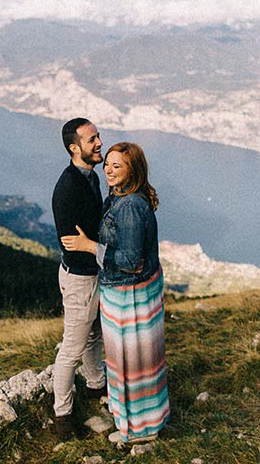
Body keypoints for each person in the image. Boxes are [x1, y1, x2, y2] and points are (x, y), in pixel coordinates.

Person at [62, 142, 170, 445]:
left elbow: (130, 261)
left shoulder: (131, 206)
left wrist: (89, 247)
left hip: (129, 296)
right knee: (133, 360)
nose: (108, 170)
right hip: (126, 294)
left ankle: (138, 430)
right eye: (107, 164)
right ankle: (137, 418)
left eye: (117, 166)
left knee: (130, 360)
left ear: (132, 170)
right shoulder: (119, 197)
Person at [50, 117, 108, 440]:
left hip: (90, 273)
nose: (99, 142)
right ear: (75, 148)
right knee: (71, 347)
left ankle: (95, 382)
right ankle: (62, 416)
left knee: (93, 334)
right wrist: (97, 249)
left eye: (98, 136)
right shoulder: (68, 190)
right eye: (92, 140)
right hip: (80, 280)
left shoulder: (91, 178)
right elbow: (72, 246)